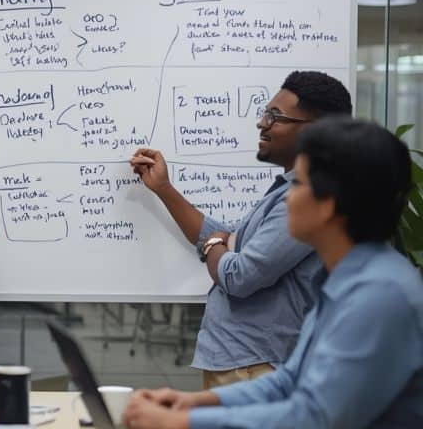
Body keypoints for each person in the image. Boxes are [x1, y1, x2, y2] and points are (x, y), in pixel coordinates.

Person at [123, 119, 423, 429]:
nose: (286, 198)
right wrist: (194, 402)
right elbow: (288, 382)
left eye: (297, 184)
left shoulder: (379, 294)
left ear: (328, 205)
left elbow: (311, 420)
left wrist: (182, 423)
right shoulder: (345, 278)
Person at [130, 71, 352, 388]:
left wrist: (213, 248)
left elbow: (240, 275)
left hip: (256, 368)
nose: (263, 123)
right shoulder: (286, 191)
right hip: (244, 362)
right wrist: (165, 189)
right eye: (265, 113)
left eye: (275, 116)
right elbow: (224, 240)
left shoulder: (310, 197)